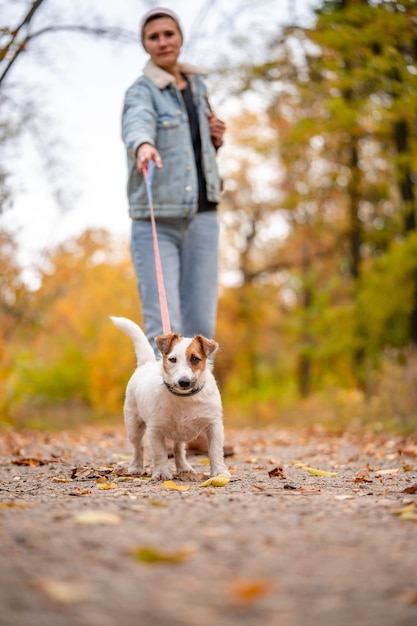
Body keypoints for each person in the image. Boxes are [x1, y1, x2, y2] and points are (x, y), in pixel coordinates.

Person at [121, 7, 233, 456]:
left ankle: (199, 427)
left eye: (169, 34)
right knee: (162, 329)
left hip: (204, 213)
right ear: (146, 44)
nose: (163, 42)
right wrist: (143, 144)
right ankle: (163, 431)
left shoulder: (199, 86)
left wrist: (217, 138)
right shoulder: (141, 91)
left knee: (202, 322)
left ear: (180, 37)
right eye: (153, 36)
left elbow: (198, 148)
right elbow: (136, 123)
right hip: (157, 218)